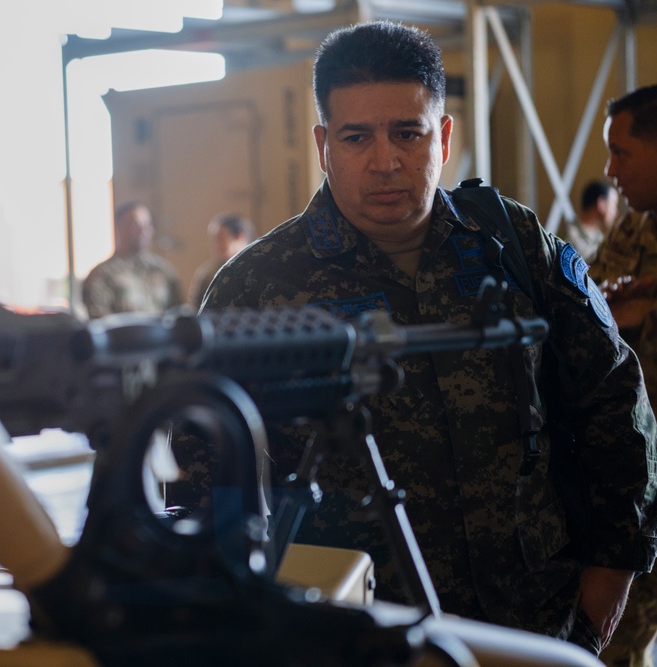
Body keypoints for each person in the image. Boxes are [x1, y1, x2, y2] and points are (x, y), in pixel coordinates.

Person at [166, 21, 656, 656]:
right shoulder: (255, 289)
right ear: (323, 145)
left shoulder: (513, 246)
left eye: (408, 132)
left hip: (538, 626)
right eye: (356, 137)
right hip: (359, 639)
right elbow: (210, 483)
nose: (385, 160)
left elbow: (613, 401)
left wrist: (608, 582)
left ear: (444, 136)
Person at [589, 84, 657, 667]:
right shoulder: (633, 230)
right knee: (612, 646)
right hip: (640, 480)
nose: (610, 171)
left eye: (622, 152)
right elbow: (585, 305)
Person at [81, 202, 183, 319]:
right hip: (124, 336)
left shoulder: (163, 270)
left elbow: (178, 313)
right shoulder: (102, 274)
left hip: (162, 336)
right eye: (135, 224)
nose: (143, 231)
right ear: (118, 227)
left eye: (147, 225)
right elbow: (99, 318)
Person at [188, 212, 256, 309]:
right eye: (213, 239)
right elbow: (197, 311)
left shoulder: (259, 266)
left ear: (240, 237)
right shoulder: (208, 274)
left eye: (220, 238)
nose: (214, 245)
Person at [560, 180, 620, 263]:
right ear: (601, 204)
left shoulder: (599, 237)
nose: (615, 212)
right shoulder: (571, 236)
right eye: (613, 205)